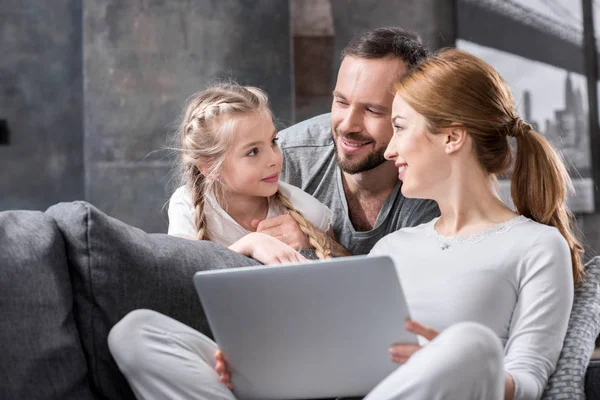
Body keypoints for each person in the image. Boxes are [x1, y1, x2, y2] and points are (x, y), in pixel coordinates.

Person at [116, 48, 583, 400]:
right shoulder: (393, 249)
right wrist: (260, 358)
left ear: (453, 138)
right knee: (137, 332)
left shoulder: (537, 247)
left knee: (473, 346)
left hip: (451, 382)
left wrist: (441, 359)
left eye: (399, 127)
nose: (391, 149)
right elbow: (334, 357)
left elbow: (528, 380)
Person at [168, 27, 440, 256]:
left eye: (372, 110)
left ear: (410, 113)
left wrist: (312, 244)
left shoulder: (433, 186)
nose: (347, 125)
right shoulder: (287, 156)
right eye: (341, 101)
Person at [167, 82, 332, 261]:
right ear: (208, 167)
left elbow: (342, 265)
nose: (274, 159)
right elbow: (182, 277)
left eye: (273, 142)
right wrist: (249, 244)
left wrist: (306, 242)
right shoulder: (187, 205)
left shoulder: (306, 210)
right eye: (252, 152)